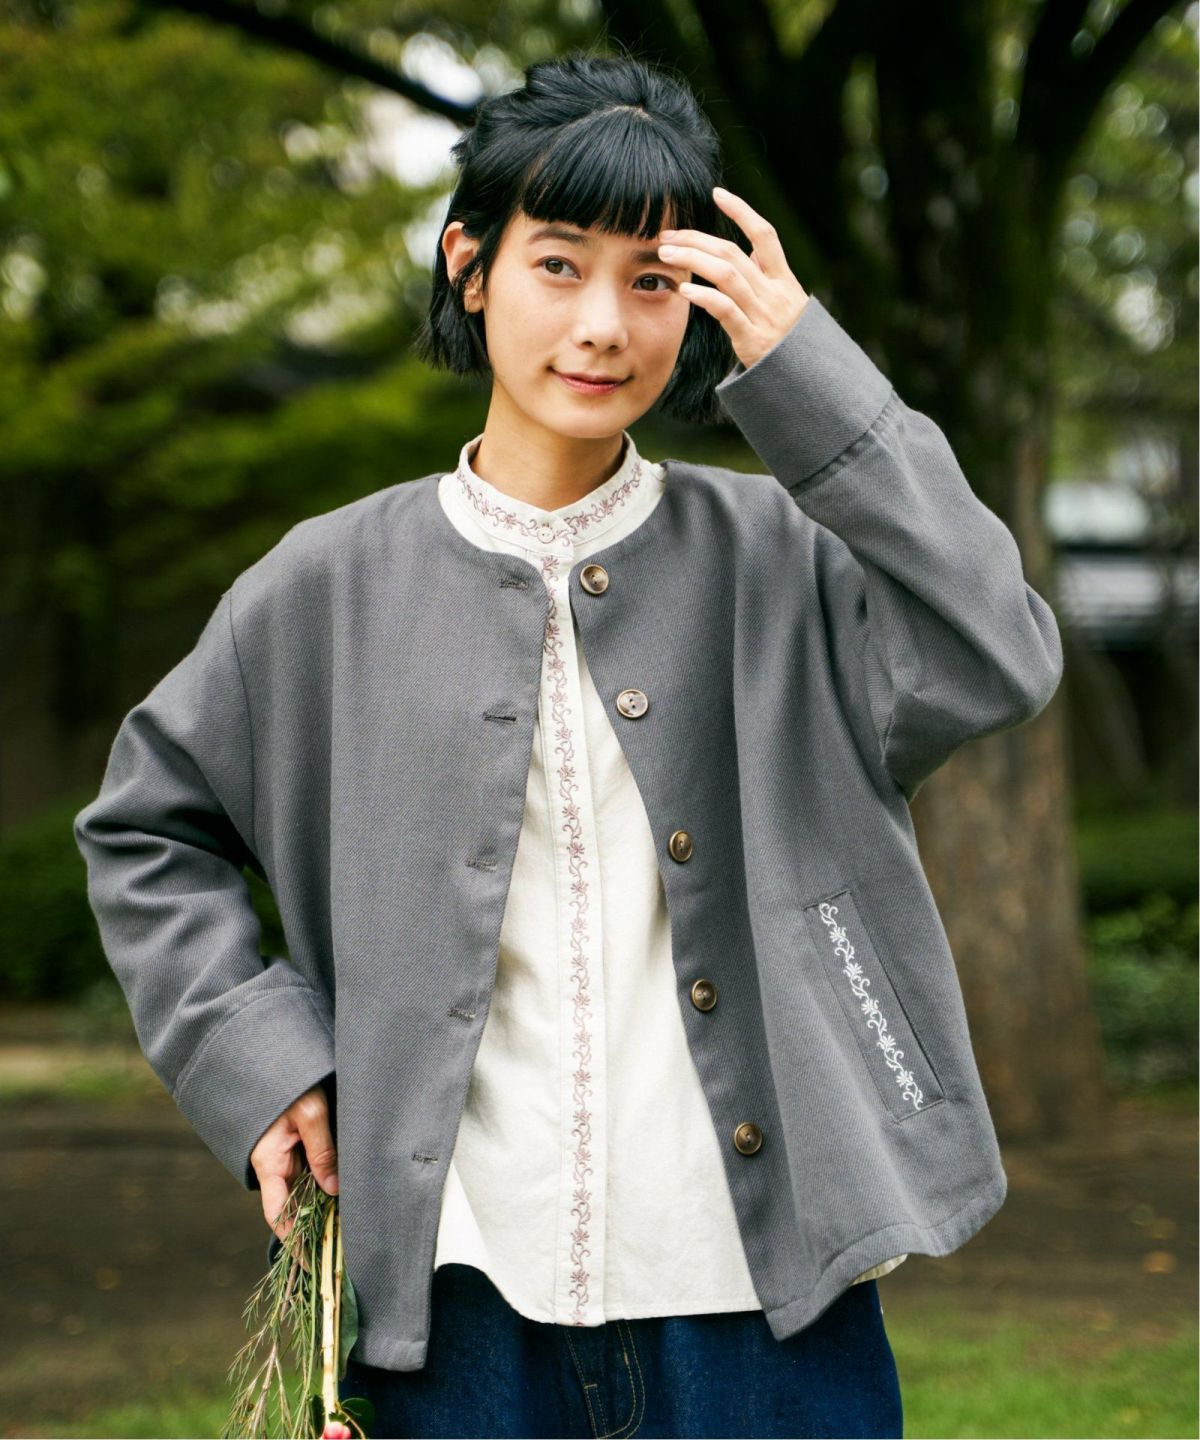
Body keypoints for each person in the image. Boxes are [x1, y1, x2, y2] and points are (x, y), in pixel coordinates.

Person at [74, 45, 1063, 1440]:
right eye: (558, 265)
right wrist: (262, 1058)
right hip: (459, 1314)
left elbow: (997, 651)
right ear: (469, 265)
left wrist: (814, 379)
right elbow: (143, 829)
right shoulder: (322, 588)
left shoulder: (780, 558)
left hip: (769, 1307)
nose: (604, 325)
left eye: (652, 281)